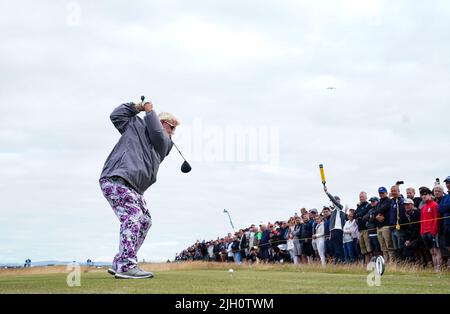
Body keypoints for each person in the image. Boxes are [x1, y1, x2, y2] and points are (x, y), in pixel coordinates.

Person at [99, 98, 179, 279]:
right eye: (172, 127)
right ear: (162, 123)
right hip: (117, 178)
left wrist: (149, 112)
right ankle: (127, 265)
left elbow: (158, 134)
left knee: (145, 221)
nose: (173, 133)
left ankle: (120, 261)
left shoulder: (165, 144)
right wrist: (137, 108)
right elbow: (116, 115)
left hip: (134, 187)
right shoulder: (135, 125)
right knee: (133, 217)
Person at [419, 186, 442, 272]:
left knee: (436, 250)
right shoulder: (423, 207)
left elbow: (436, 219)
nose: (423, 196)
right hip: (424, 232)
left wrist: (434, 231)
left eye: (425, 194)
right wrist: (421, 232)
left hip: (432, 232)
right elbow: (421, 221)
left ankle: (438, 268)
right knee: (431, 251)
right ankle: (435, 268)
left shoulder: (434, 205)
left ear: (430, 195)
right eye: (422, 195)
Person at [324, 187, 346, 263]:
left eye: (334, 201)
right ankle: (339, 260)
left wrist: (327, 193)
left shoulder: (340, 207)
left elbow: (334, 201)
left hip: (339, 230)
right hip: (333, 231)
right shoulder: (333, 211)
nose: (332, 202)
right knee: (335, 247)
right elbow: (331, 224)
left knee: (338, 246)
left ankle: (341, 260)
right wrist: (330, 233)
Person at [375, 187, 395, 262]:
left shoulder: (389, 201)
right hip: (379, 227)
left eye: (382, 193)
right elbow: (375, 211)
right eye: (380, 193)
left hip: (386, 226)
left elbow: (383, 209)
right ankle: (385, 262)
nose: (381, 194)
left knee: (389, 245)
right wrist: (376, 216)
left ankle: (392, 262)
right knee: (383, 247)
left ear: (386, 193)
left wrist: (376, 213)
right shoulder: (379, 202)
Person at [389, 185, 407, 261]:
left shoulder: (401, 201)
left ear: (399, 191)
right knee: (396, 247)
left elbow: (403, 215)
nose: (393, 192)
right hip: (392, 228)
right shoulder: (392, 201)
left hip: (399, 228)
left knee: (401, 246)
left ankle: (405, 263)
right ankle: (399, 264)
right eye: (392, 191)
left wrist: (399, 224)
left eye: (395, 191)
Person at [354, 192, 371, 263]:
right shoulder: (359, 206)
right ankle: (366, 263)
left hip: (366, 229)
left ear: (366, 197)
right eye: (360, 197)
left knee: (369, 248)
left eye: (362, 197)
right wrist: (359, 215)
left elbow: (365, 212)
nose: (361, 198)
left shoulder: (368, 205)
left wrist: (359, 215)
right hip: (360, 230)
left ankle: (371, 264)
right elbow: (355, 215)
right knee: (363, 249)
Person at [438, 177, 450, 257]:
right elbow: (439, 209)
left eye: (449, 182)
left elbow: (444, 207)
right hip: (446, 225)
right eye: (446, 183)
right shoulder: (445, 197)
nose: (448, 184)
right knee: (448, 245)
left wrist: (445, 207)